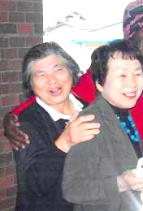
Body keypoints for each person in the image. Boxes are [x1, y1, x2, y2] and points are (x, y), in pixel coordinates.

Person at [3, 0, 143, 210]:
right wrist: (14, 115)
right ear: (129, 39)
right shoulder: (109, 75)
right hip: (132, 192)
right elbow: (59, 91)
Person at [62, 40, 143, 211]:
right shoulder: (89, 122)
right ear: (100, 83)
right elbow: (72, 189)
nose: (133, 83)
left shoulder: (130, 111)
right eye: (122, 75)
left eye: (137, 74)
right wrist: (120, 183)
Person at [13, 42, 100, 211]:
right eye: (41, 75)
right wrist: (64, 143)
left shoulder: (90, 109)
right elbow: (33, 185)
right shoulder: (25, 123)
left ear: (71, 71)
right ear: (30, 83)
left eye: (58, 70)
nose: (52, 80)